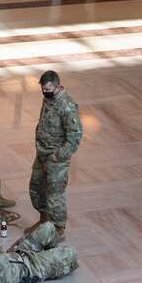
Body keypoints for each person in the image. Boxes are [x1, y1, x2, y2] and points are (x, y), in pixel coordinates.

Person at [30, 70, 83, 233]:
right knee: (36, 188)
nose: (44, 93)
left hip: (56, 158)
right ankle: (44, 222)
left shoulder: (67, 107)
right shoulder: (48, 99)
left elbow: (75, 137)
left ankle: (58, 229)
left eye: (48, 90)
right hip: (42, 154)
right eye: (43, 90)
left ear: (58, 87)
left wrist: (57, 156)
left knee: (55, 195)